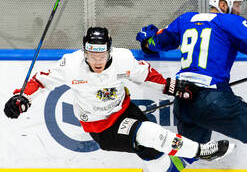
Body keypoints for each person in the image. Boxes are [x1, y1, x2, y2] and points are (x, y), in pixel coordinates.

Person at [3, 27, 235, 172]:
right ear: (84, 52)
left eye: (101, 54)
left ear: (109, 51)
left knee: (153, 155)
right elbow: (41, 80)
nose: (96, 60)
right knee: (150, 133)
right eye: (91, 54)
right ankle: (201, 151)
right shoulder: (71, 64)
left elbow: (145, 75)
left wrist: (172, 87)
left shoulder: (123, 59)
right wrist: (21, 98)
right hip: (101, 127)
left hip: (125, 111)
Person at [136, 0, 247, 171]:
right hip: (212, 99)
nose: (238, 10)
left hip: (183, 100)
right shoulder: (229, 21)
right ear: (222, 4)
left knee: (188, 153)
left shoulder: (185, 19)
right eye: (236, 5)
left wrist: (146, 41)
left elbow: (154, 42)